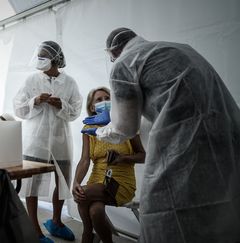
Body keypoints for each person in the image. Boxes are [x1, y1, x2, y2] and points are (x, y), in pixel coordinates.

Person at [82, 27, 240, 242]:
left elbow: (125, 128)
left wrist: (101, 131)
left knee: (166, 211)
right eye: (97, 101)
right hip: (227, 134)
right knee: (222, 204)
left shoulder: (124, 63)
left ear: (112, 52)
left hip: (182, 140)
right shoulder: (179, 49)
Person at [14, 41, 82, 243]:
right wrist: (34, 100)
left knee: (63, 181)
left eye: (43, 56)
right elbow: (19, 108)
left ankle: (56, 222)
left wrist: (62, 104)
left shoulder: (69, 82)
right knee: (32, 184)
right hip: (36, 139)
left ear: (55, 59)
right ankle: (35, 229)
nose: (39, 59)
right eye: (39, 55)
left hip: (61, 139)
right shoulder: (31, 80)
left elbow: (76, 110)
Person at [73, 87, 145, 243]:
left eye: (107, 98)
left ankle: (87, 234)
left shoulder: (126, 124)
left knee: (83, 194)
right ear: (92, 107)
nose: (104, 102)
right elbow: (84, 160)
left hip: (121, 182)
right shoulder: (88, 129)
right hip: (97, 179)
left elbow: (143, 156)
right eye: (98, 100)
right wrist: (75, 182)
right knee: (95, 211)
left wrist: (123, 158)